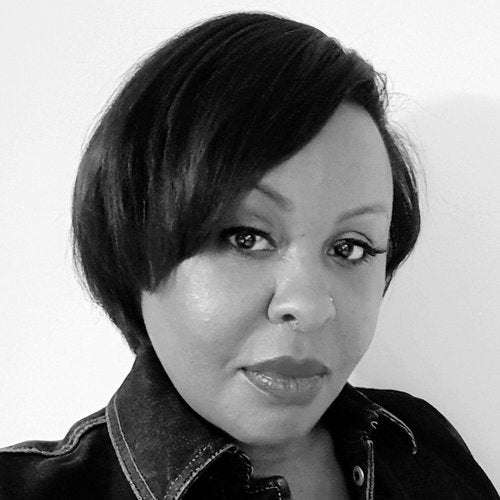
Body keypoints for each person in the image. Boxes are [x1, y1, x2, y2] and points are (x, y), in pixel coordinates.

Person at [0, 11, 497, 500]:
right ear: (132, 241)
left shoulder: (421, 445)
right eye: (246, 237)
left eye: (351, 248)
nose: (309, 307)